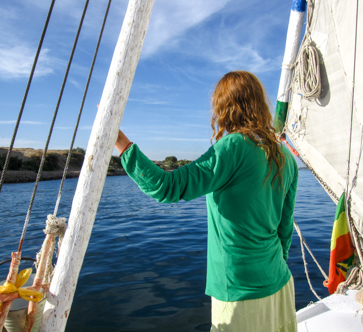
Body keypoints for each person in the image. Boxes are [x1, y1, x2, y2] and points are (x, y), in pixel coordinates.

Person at [115, 71, 298, 331]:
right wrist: (274, 267)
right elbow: (285, 228)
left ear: (225, 108)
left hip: (239, 291)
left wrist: (120, 141)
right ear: (259, 103)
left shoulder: (232, 148)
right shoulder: (284, 156)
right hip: (280, 283)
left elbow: (166, 187)